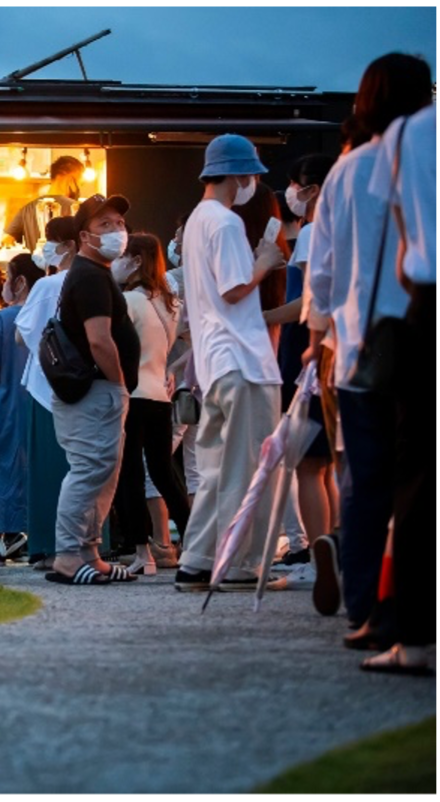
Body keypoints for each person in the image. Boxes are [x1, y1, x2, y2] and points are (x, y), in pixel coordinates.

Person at [308, 53, 433, 643]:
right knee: (417, 482)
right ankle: (405, 605)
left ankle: (362, 606)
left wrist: (317, 342)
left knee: (364, 482)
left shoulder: (347, 170)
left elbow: (323, 276)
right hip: (421, 332)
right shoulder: (422, 158)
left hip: (359, 348)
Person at [179, 135, 288, 592]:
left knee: (219, 469)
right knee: (250, 467)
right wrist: (264, 262)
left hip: (215, 363)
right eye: (253, 175)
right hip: (243, 359)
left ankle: (198, 560)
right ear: (241, 175)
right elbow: (234, 288)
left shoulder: (197, 221)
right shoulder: (224, 224)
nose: (254, 184)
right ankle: (241, 565)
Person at [357, 102, 435, 675]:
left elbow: (401, 232)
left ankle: (411, 636)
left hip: (426, 306)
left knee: (419, 474)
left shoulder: (409, 134)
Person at [44, 195, 142, 585]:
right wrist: (119, 384)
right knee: (89, 471)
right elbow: (99, 340)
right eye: (105, 225)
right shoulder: (89, 277)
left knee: (103, 472)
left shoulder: (95, 274)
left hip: (97, 391)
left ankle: (88, 551)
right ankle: (69, 555)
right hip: (95, 390)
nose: (117, 231)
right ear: (84, 235)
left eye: (119, 223)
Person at [266, 155, 338, 585]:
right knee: (325, 465)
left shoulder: (314, 231)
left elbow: (309, 304)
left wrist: (263, 316)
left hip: (308, 358)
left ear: (309, 189)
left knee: (307, 466)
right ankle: (331, 552)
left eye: (295, 184)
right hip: (336, 354)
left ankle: (317, 558)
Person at [107, 233, 188, 576]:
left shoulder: (130, 301)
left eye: (124, 256)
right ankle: (194, 542)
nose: (118, 262)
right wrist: (171, 370)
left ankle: (144, 552)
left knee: (130, 474)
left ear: (137, 260)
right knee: (165, 474)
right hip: (160, 396)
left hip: (134, 395)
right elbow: (185, 344)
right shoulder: (170, 303)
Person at [15, 216, 82, 567]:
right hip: (86, 383)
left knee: (46, 468)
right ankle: (86, 544)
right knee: (84, 466)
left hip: (46, 383)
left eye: (49, 240)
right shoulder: (98, 280)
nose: (44, 247)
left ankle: (46, 545)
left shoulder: (46, 286)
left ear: (68, 245)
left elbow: (21, 334)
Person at [0, 255, 45, 564]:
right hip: (42, 403)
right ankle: (37, 533)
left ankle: (0, 538)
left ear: (18, 283)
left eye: (7, 279)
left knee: (4, 471)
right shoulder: (46, 313)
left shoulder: (2, 320)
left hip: (8, 405)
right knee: (39, 469)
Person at [6, 156, 87, 251]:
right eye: (80, 183)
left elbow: (7, 240)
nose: (79, 188)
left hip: (33, 264)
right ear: (70, 179)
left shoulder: (27, 209)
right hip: (68, 265)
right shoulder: (78, 209)